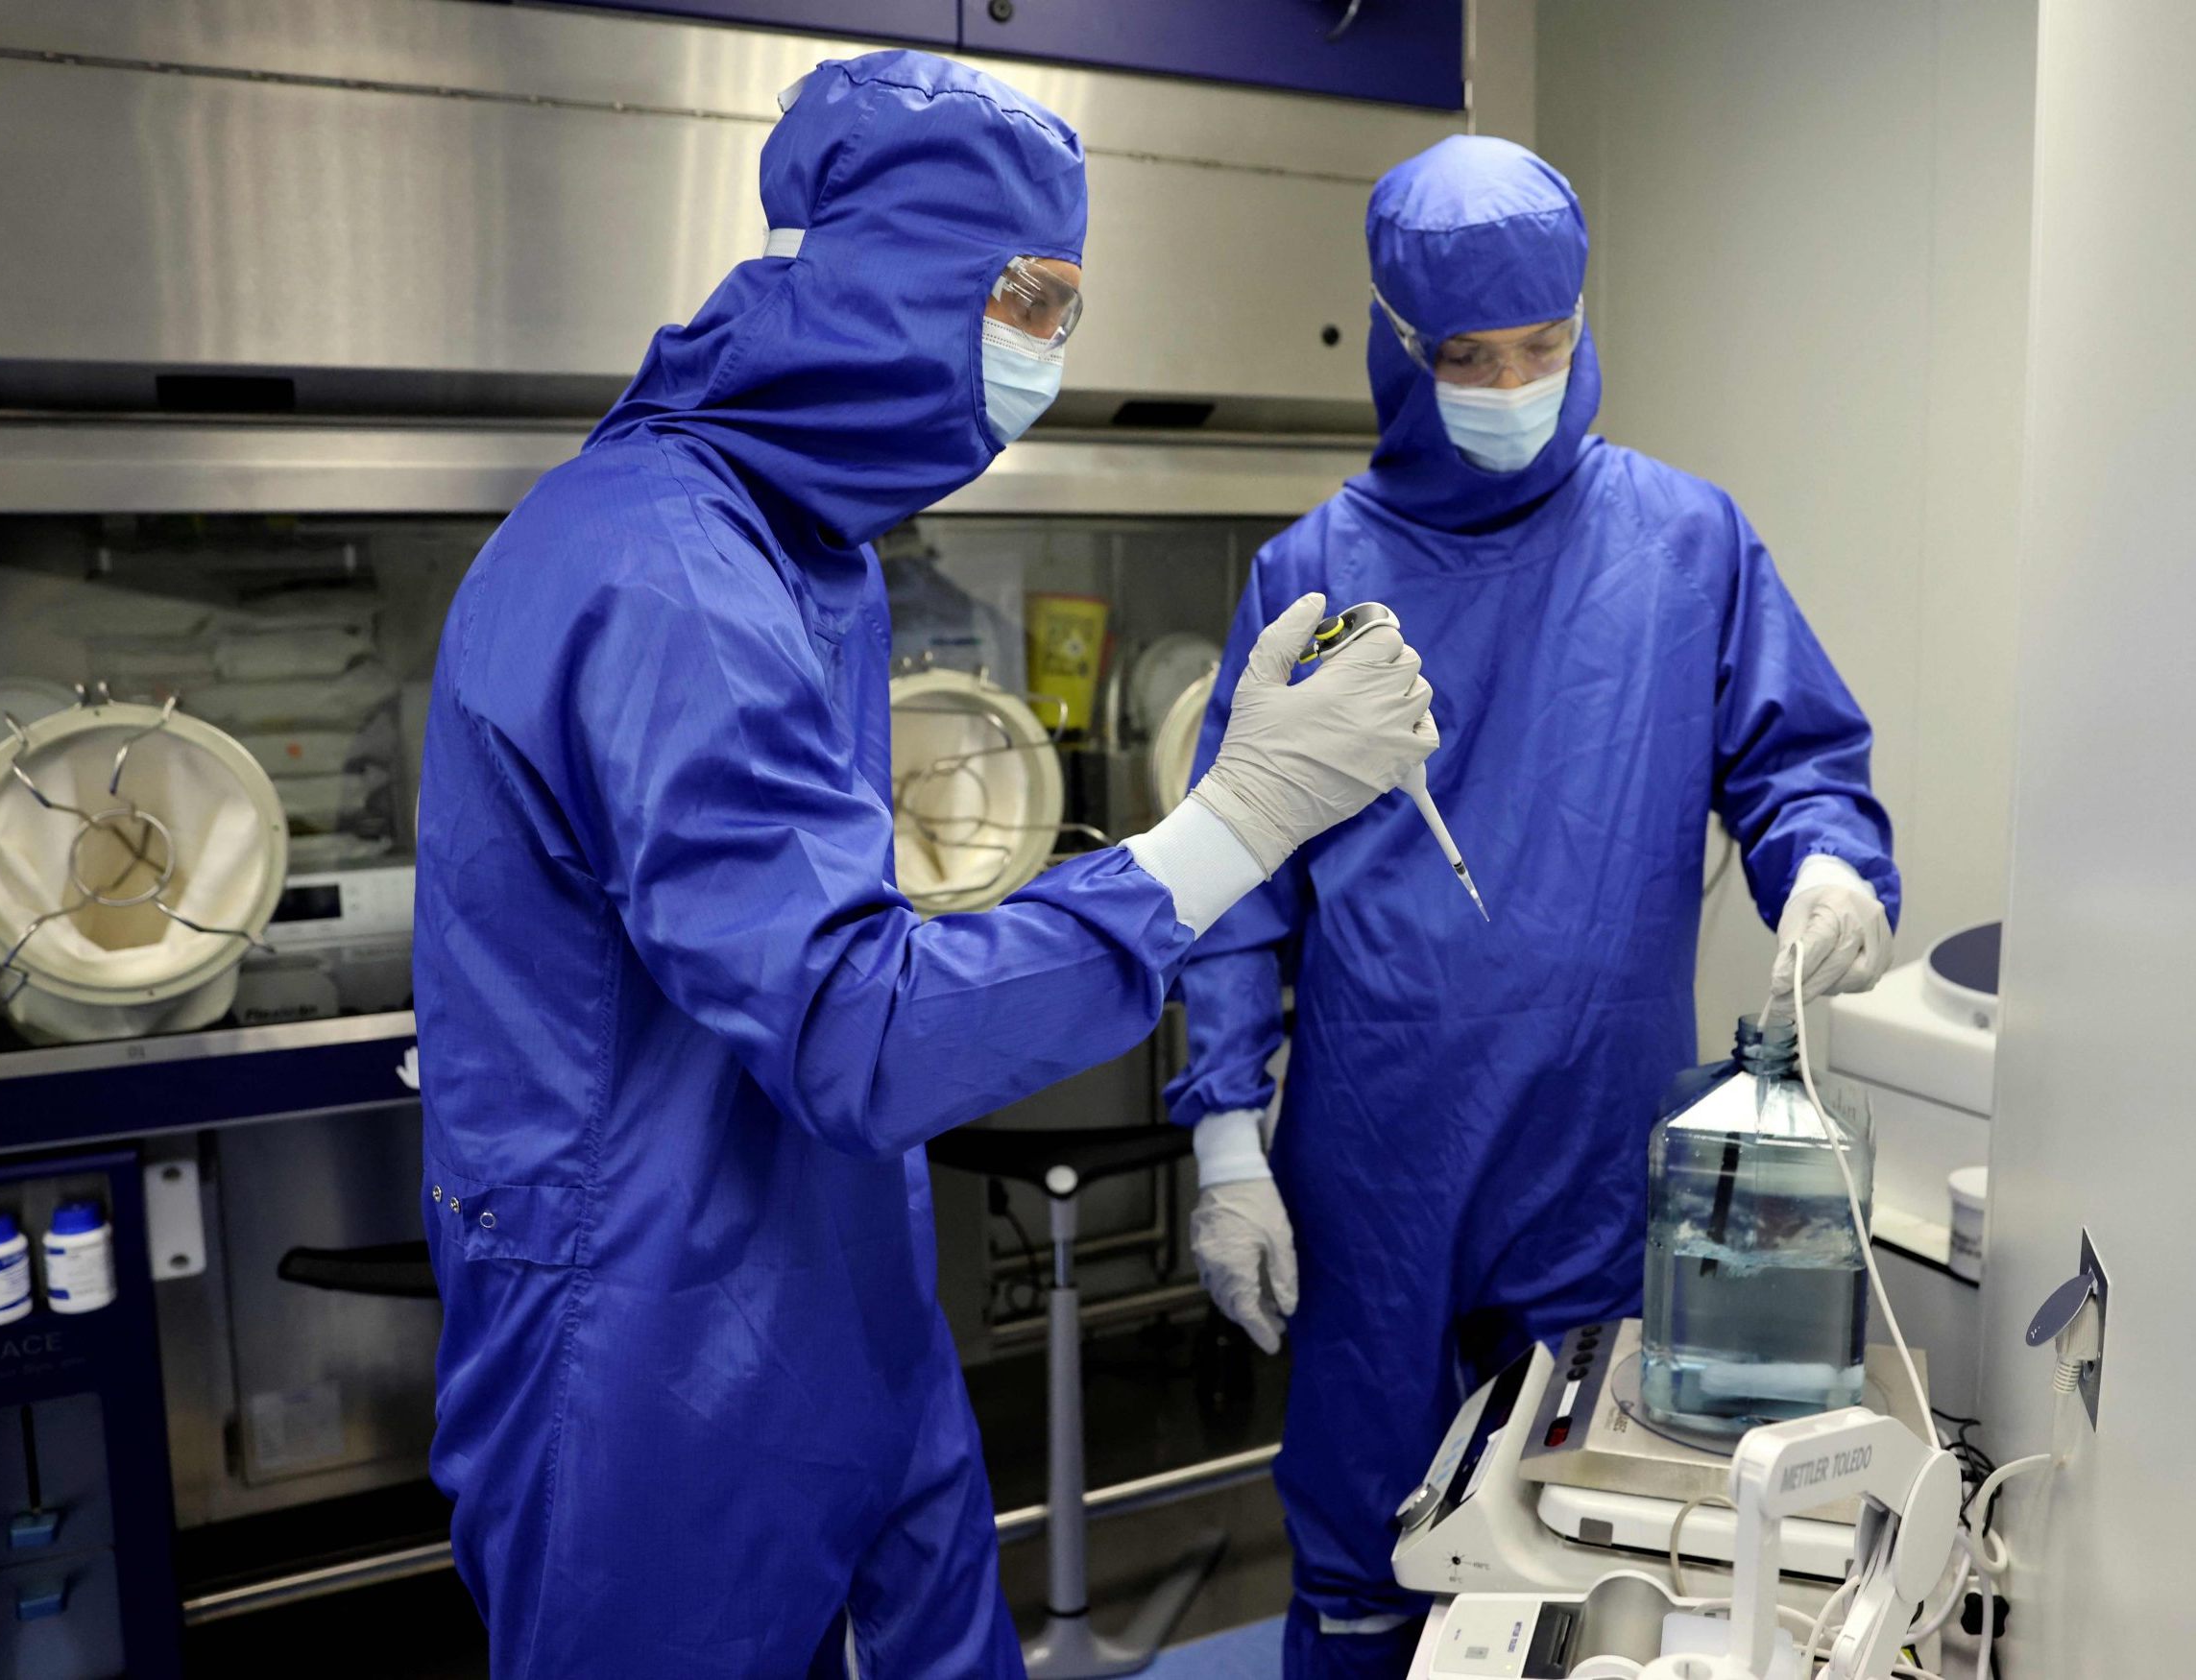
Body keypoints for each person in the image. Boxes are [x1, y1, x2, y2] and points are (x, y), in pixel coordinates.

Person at [411, 51, 1436, 1680]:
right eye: (1026, 301)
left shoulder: (807, 556)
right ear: (892, 277)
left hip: (836, 1288)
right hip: (649, 1356)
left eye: (1068, 313)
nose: (1046, 356)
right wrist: (1234, 821)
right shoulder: (658, 568)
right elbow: (856, 1024)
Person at [1168, 133, 1898, 1679]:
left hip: (1593, 1141)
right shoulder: (1313, 570)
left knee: (1588, 1542)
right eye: (1466, 355)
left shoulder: (1685, 544)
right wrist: (1225, 1133)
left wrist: (1828, 859)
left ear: (1582, 320)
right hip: (1378, 1152)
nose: (1509, 382)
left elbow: (1794, 763)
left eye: (1540, 342)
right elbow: (1233, 879)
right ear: (1397, 343)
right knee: (1366, 1550)